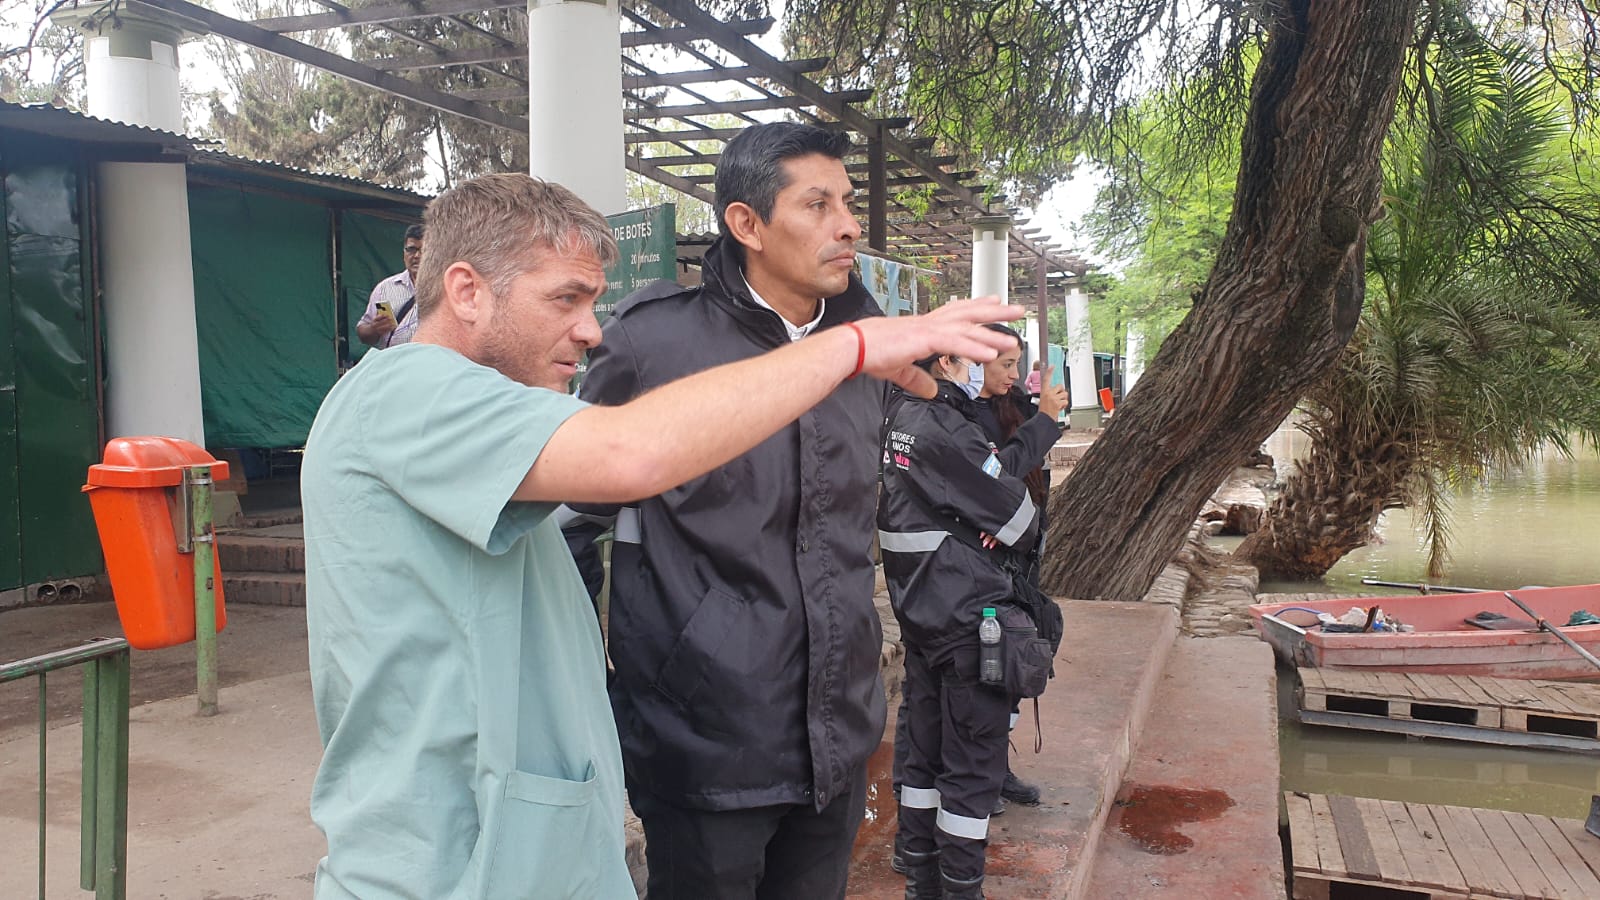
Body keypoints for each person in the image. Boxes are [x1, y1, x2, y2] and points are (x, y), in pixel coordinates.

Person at [300, 172, 1022, 900]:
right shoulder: (405, 391)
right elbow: (630, 454)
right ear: (466, 292)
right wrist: (854, 345)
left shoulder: (484, 421)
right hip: (446, 868)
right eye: (566, 299)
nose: (590, 329)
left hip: (527, 850)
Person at [561, 122, 896, 900]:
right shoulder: (654, 346)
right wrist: (598, 686)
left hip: (837, 733)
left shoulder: (867, 347)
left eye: (846, 202)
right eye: (817, 204)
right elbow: (573, 517)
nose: (847, 224)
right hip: (703, 741)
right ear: (746, 224)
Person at [879, 350, 1065, 900]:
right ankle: (960, 888)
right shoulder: (945, 425)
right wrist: (992, 517)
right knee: (971, 763)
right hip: (965, 614)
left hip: (920, 611)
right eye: (986, 359)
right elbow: (1020, 518)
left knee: (923, 752)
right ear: (949, 359)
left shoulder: (895, 416)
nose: (999, 371)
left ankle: (920, 876)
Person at [354, 224, 424, 348]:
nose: (417, 256)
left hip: (430, 364)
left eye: (424, 250)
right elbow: (362, 332)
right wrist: (373, 329)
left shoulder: (445, 290)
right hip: (395, 363)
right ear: (404, 252)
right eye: (411, 249)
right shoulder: (385, 289)